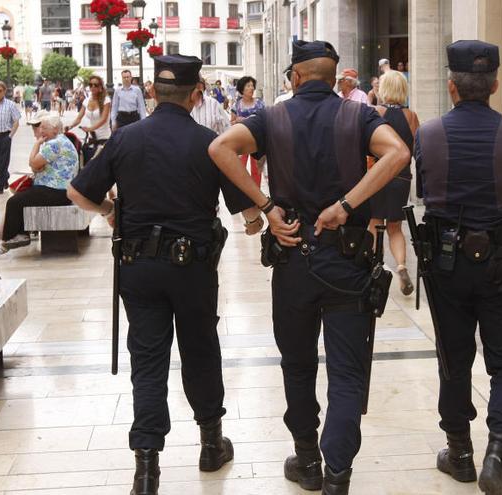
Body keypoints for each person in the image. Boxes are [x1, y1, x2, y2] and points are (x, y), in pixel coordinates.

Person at [208, 40, 410, 495]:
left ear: (295, 78)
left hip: (294, 259)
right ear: (335, 77)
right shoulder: (357, 116)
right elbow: (397, 153)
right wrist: (346, 204)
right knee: (346, 371)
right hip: (348, 260)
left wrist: (265, 206)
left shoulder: (271, 117)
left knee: (297, 365)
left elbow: (221, 148)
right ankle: (338, 473)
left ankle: (307, 460)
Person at [67, 54, 263, 495]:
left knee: (148, 361)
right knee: (200, 349)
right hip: (192, 268)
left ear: (152, 92)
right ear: (197, 94)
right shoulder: (209, 143)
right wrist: (255, 222)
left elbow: (76, 191)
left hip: (138, 268)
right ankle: (211, 444)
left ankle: (147, 468)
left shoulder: (125, 138)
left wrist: (109, 210)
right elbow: (248, 209)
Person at [415, 40, 502, 495]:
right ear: (495, 85)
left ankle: (459, 452)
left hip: (446, 261)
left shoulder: (427, 134)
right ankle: (497, 454)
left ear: (452, 86)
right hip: (501, 262)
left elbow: (425, 190)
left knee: (454, 357)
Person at [0, 114, 78, 254]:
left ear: (55, 129)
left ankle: (13, 237)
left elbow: (33, 163)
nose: (41, 131)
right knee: (22, 199)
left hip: (55, 191)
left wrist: (36, 144)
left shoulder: (54, 144)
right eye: (40, 127)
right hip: (61, 190)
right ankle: (18, 234)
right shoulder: (62, 141)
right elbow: (36, 167)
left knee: (14, 202)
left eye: (44, 127)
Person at [368, 70, 418, 295]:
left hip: (378, 176)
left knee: (374, 224)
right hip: (402, 178)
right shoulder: (411, 116)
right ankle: (401, 266)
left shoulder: (376, 112)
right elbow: (417, 149)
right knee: (395, 228)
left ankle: (372, 266)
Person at [230, 76, 266, 188]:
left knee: (257, 168)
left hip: (257, 140)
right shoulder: (236, 105)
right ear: (242, 89)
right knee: (241, 167)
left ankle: (257, 195)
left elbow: (265, 120)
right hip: (241, 140)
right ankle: (243, 192)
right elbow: (232, 122)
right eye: (248, 86)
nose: (251, 88)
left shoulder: (260, 104)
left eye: (252, 86)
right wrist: (237, 121)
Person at [68, 75, 112, 164]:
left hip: (104, 137)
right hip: (92, 138)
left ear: (100, 87)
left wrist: (90, 129)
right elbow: (79, 118)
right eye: (91, 85)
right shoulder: (86, 101)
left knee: (103, 165)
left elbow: (103, 119)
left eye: (95, 85)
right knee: (90, 164)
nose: (92, 87)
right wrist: (70, 126)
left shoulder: (106, 100)